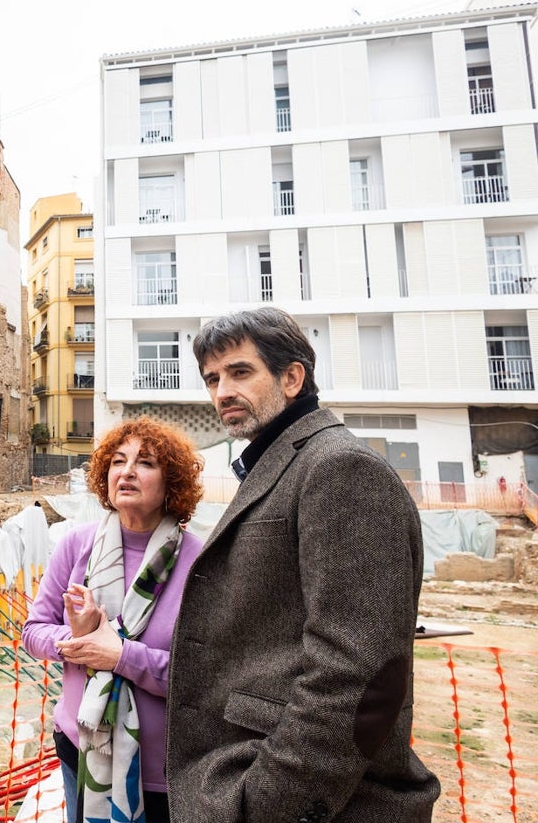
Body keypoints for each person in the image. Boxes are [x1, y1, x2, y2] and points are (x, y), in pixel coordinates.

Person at [166, 307, 440, 822]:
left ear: (292, 377)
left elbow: (358, 674)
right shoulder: (277, 461)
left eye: (240, 372)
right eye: (212, 378)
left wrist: (268, 804)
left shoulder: (340, 468)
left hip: (323, 803)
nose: (222, 391)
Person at [23, 417, 206, 823]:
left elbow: (202, 677)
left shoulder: (201, 562)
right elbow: (33, 633)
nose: (126, 471)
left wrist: (120, 655)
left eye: (145, 463)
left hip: (165, 771)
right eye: (117, 461)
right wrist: (79, 638)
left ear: (171, 482)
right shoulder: (76, 544)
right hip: (81, 748)